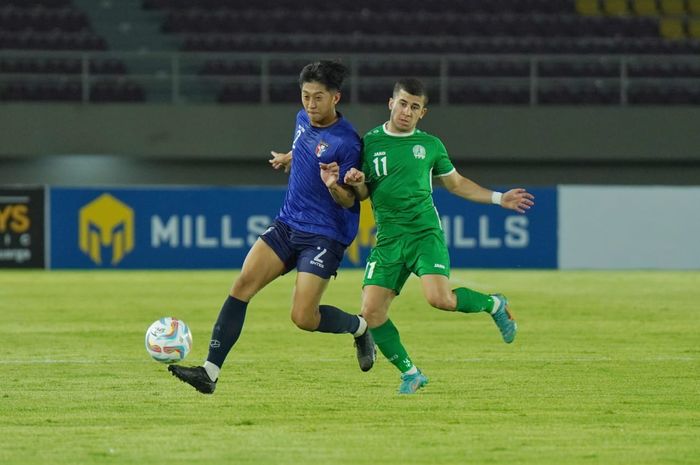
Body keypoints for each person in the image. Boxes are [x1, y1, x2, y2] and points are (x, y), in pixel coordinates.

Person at [168, 61, 376, 394]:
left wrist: (333, 184)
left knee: (303, 318)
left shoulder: (348, 142)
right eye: (305, 96)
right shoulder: (301, 119)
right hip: (287, 223)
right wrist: (289, 157)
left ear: (336, 98)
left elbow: (351, 201)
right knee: (242, 285)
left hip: (325, 234)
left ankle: (361, 327)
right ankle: (209, 372)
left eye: (318, 98)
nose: (310, 104)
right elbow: (307, 145)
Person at [342, 78, 535, 394]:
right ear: (391, 104)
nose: (407, 111)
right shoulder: (369, 142)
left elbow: (457, 184)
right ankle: (411, 374)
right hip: (389, 239)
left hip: (423, 234)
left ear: (423, 113)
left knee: (439, 299)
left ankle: (495, 304)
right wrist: (356, 180)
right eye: (403, 103)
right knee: (371, 313)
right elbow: (362, 193)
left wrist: (500, 198)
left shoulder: (430, 146)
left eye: (414, 107)